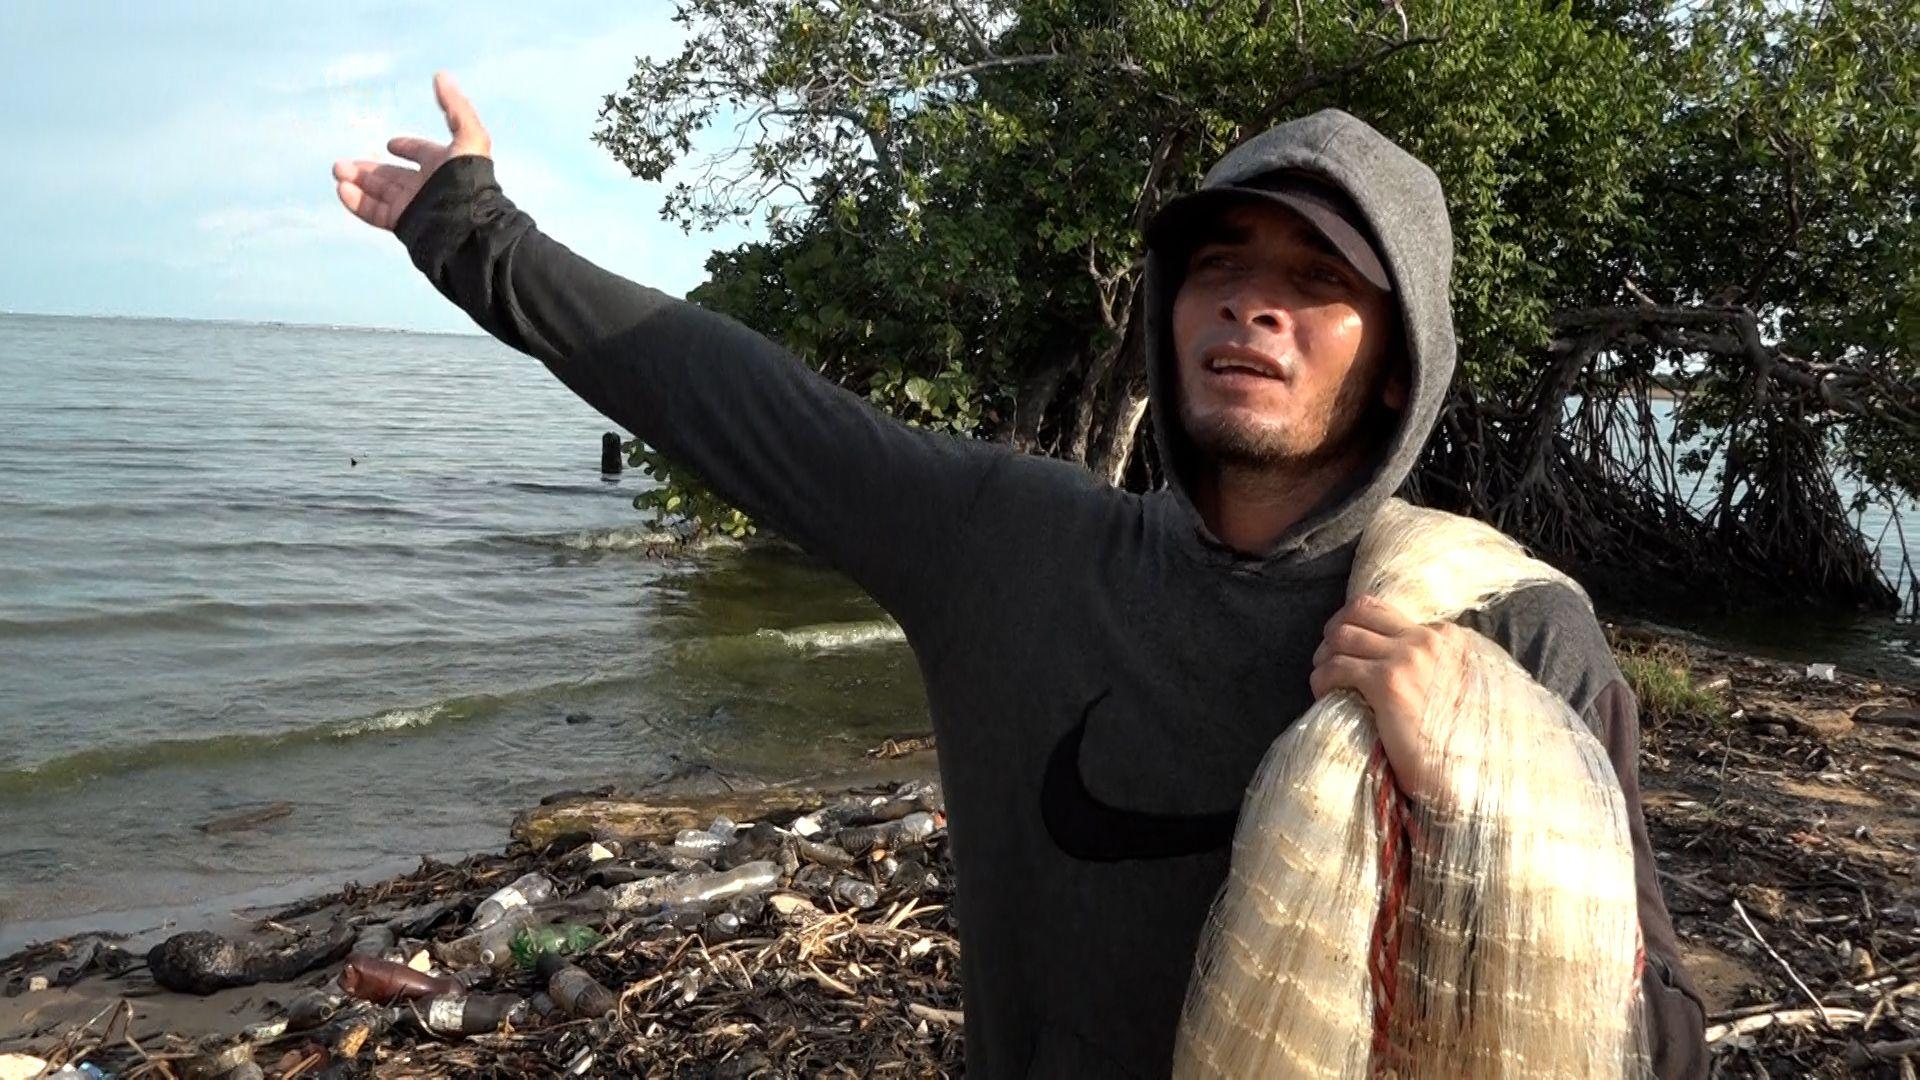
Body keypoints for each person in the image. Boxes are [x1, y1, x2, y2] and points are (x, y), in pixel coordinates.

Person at [334, 72, 1709, 1077]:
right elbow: (741, 402)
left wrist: (1479, 791)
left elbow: (1661, 1050)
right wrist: (477, 236)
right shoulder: (1014, 549)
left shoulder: (1506, 635)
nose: (1255, 302)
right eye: (1221, 264)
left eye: (1320, 280)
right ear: (1169, 309)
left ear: (1400, 360)